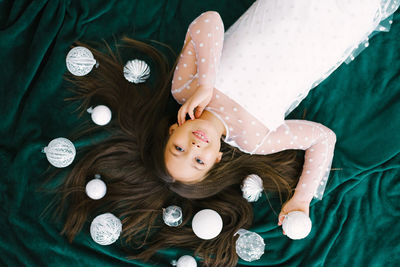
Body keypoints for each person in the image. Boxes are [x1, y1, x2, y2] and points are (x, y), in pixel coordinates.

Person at [52, 1, 399, 266]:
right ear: (216, 159)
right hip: (332, 27)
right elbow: (323, 139)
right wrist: (301, 199)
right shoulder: (255, 140)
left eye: (178, 148)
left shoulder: (185, 90)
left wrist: (205, 84)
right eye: (199, 159)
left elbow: (209, 21)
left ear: (175, 128)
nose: (194, 146)